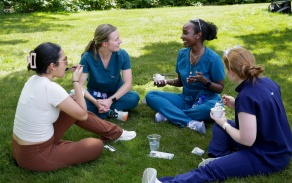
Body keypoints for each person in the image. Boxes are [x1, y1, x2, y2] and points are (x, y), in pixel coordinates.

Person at [142, 47, 292, 182]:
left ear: (232, 72)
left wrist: (224, 123)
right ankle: (223, 159)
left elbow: (247, 140)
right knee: (219, 130)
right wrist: (236, 105)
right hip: (275, 144)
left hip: (267, 156)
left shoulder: (247, 96)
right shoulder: (267, 82)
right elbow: (264, 111)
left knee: (211, 169)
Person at [12, 42, 136, 172]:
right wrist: (76, 82)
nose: (67, 63)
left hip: (19, 148)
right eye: (64, 60)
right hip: (36, 156)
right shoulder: (51, 88)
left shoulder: (32, 80)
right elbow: (83, 114)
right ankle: (113, 134)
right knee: (96, 145)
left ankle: (115, 133)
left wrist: (71, 98)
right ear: (53, 66)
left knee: (71, 109)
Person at [145, 18, 225, 133]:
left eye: (186, 33)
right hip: (185, 99)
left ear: (198, 35)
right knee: (151, 95)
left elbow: (220, 88)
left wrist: (204, 81)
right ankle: (190, 122)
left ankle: (168, 115)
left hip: (206, 101)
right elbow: (180, 82)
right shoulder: (182, 54)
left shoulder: (213, 58)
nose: (182, 36)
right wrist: (166, 82)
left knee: (210, 110)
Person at [79, 24, 140, 121]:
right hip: (95, 96)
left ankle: (99, 111)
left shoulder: (122, 55)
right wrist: (95, 102)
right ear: (105, 44)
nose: (120, 41)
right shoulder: (87, 57)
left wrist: (110, 101)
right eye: (116, 40)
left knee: (133, 98)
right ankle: (110, 112)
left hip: (116, 95)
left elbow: (128, 84)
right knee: (72, 97)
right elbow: (79, 85)